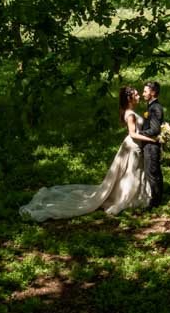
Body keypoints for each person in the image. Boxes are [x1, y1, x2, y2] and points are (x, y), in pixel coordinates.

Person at [19, 86, 157, 222]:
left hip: (134, 146)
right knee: (130, 172)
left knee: (131, 172)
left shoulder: (130, 111)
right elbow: (132, 134)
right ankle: (126, 197)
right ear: (130, 98)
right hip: (132, 146)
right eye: (136, 94)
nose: (139, 96)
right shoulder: (131, 114)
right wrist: (152, 139)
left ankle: (129, 194)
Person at [140, 81, 164, 207]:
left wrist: (140, 133)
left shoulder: (155, 108)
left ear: (153, 93)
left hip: (151, 146)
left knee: (152, 173)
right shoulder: (151, 106)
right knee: (153, 172)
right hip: (149, 146)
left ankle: (155, 202)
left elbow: (155, 130)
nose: (143, 94)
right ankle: (157, 199)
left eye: (145, 91)